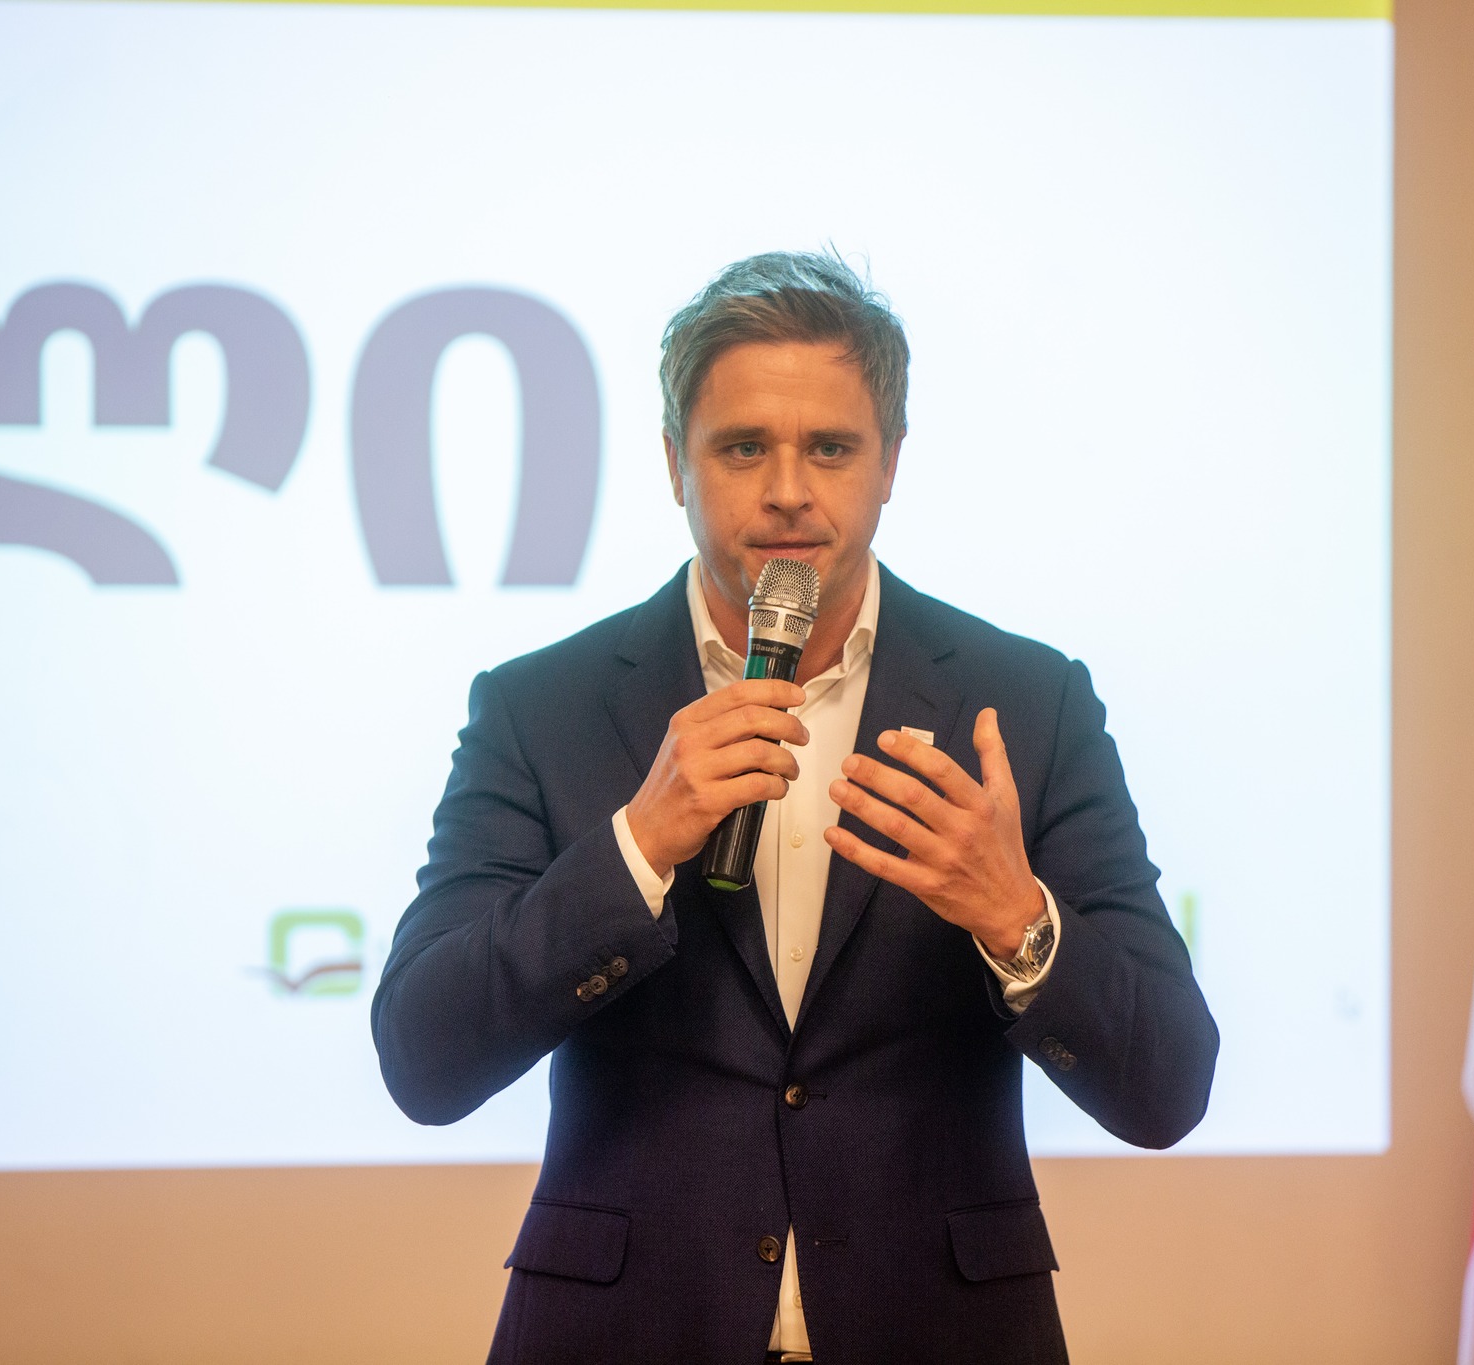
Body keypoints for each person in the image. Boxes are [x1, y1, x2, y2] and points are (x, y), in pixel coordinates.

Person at [372, 251, 1217, 1364]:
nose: (785, 488)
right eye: (741, 447)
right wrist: (635, 849)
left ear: (889, 463)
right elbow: (423, 1059)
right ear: (674, 464)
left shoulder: (1024, 701)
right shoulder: (543, 707)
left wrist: (1015, 916)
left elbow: (1167, 1086)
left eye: (829, 447)